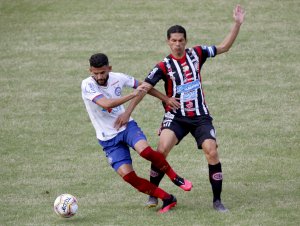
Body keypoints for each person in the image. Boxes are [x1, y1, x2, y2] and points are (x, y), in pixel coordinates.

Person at [115, 5, 246, 212]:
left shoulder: (197, 54)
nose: (177, 44)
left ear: (186, 41)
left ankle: (217, 201)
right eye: (173, 41)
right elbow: (143, 89)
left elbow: (224, 47)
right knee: (161, 150)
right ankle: (153, 195)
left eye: (181, 40)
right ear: (168, 42)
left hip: (200, 116)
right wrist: (128, 111)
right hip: (176, 117)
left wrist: (237, 24)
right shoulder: (163, 66)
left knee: (211, 152)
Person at [81, 53, 193, 213]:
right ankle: (168, 198)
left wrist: (166, 99)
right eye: (95, 73)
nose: (99, 76)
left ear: (109, 69)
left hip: (126, 126)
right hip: (107, 139)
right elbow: (106, 103)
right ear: (90, 71)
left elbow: (145, 86)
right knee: (128, 177)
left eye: (102, 72)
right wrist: (133, 94)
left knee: (145, 151)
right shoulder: (87, 85)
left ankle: (175, 177)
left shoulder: (118, 77)